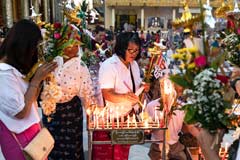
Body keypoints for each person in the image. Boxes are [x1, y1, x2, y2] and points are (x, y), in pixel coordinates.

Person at [0, 19, 57, 160]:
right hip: (19, 139)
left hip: (31, 134)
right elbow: (20, 112)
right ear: (23, 46)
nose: (35, 53)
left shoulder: (13, 69)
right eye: (34, 48)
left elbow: (30, 99)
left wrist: (39, 79)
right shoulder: (3, 74)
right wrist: (36, 80)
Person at [41, 23, 96, 160]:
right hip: (51, 113)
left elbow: (87, 93)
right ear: (63, 42)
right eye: (74, 39)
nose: (78, 43)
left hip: (70, 114)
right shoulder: (51, 61)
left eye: (78, 40)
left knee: (71, 151)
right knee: (50, 147)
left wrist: (93, 114)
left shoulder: (80, 67)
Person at [93, 32, 150, 160]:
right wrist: (124, 97)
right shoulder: (110, 65)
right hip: (109, 120)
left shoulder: (134, 65)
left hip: (127, 118)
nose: (133, 54)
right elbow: (107, 93)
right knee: (106, 155)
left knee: (122, 155)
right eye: (130, 50)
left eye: (136, 50)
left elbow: (135, 85)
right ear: (121, 48)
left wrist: (143, 86)